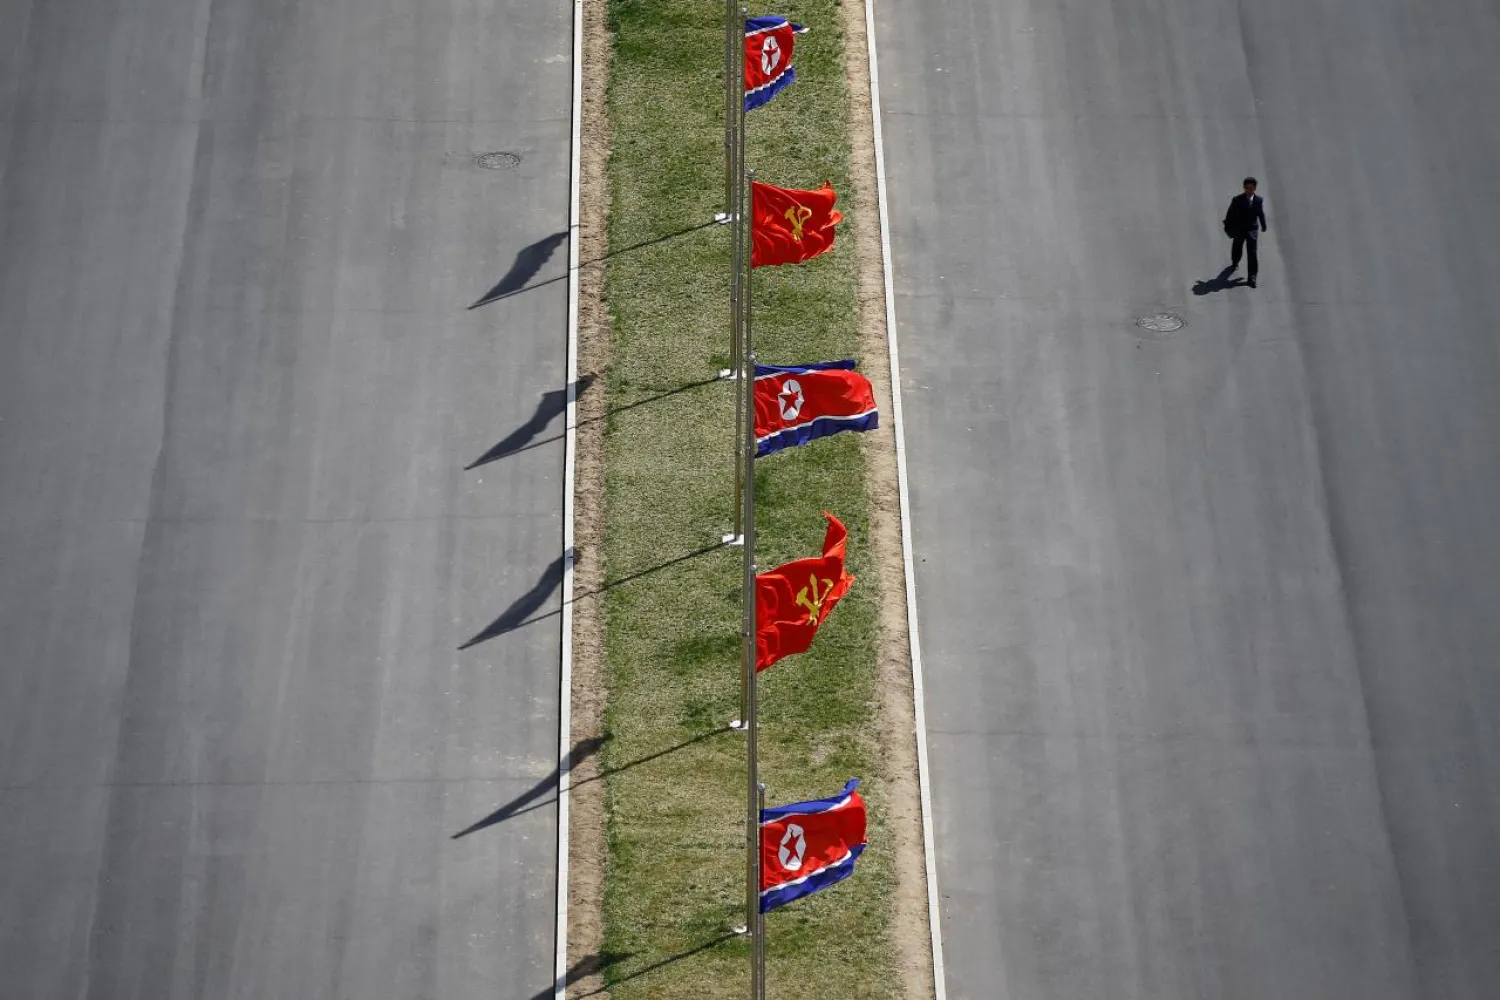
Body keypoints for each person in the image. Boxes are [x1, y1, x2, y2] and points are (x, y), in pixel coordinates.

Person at [1223, 177, 1268, 287]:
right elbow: (1230, 214)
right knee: (1237, 247)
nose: (1248, 190)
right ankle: (1235, 262)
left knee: (1252, 253)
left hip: (1252, 230)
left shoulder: (1258, 201)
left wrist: (1263, 225)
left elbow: (1260, 213)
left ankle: (1252, 277)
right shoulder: (1237, 200)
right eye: (1247, 188)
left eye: (1251, 188)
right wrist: (1228, 226)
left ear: (1254, 188)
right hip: (1240, 229)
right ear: (1244, 188)